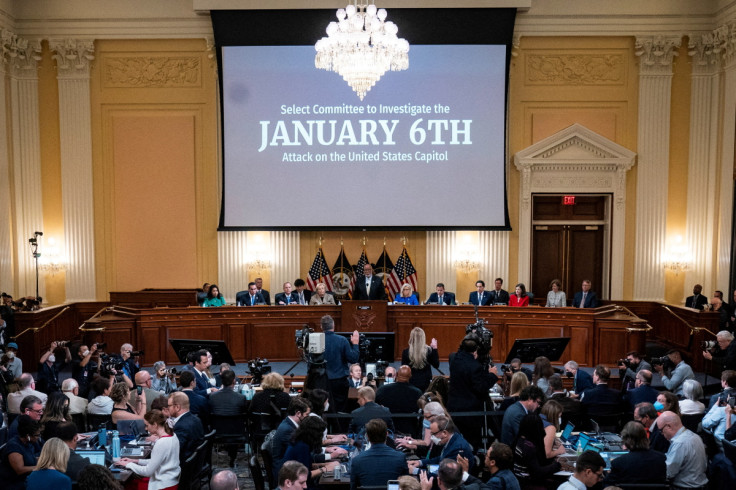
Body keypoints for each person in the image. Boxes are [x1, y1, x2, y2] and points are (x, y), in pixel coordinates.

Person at [447, 334, 499, 449]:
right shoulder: (475, 366)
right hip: (470, 412)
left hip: (454, 407)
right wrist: (492, 375)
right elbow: (480, 388)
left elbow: (458, 352)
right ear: (476, 350)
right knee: (471, 441)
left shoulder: (454, 359)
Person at [117, 410, 181, 490]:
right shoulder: (173, 436)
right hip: (170, 481)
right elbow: (157, 461)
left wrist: (128, 465)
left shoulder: (161, 443)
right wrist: (134, 461)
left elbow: (148, 472)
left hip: (162, 485)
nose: (145, 428)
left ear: (154, 425)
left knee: (126, 485)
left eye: (147, 425)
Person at [601, 421, 667, 487]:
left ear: (626, 440)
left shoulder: (619, 463)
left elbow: (607, 485)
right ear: (645, 437)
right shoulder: (662, 459)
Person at [350, 418, 409, 490]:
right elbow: (407, 486)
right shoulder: (400, 457)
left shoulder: (357, 461)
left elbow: (353, 487)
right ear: (387, 434)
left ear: (367, 437)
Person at [283, 416, 338, 490]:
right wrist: (325, 469)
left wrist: (324, 464)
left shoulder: (300, 441)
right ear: (314, 434)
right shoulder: (302, 447)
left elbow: (306, 463)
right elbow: (304, 475)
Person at [656, 411, 708, 489]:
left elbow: (668, 473)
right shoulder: (695, 436)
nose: (662, 434)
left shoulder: (679, 443)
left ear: (669, 426)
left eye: (661, 431)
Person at [408, 415, 475, 473]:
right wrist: (420, 462)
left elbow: (445, 473)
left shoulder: (458, 448)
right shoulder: (452, 439)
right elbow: (441, 459)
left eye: (434, 434)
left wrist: (416, 471)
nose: (431, 438)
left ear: (444, 433)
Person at [321, 314, 360, 413]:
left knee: (323, 408)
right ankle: (340, 428)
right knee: (340, 409)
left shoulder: (316, 340)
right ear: (333, 326)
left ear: (321, 327)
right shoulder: (342, 340)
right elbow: (353, 358)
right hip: (339, 381)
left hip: (323, 381)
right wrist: (355, 344)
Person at [511, 413, 561, 489]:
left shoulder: (519, 441)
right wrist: (557, 465)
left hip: (520, 480)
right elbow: (538, 472)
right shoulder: (529, 447)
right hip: (528, 483)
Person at [271, 397, 312, 482]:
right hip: (284, 475)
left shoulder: (289, 424)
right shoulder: (288, 430)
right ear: (298, 413)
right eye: (307, 414)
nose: (308, 418)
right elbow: (300, 453)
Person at [376, 365, 423, 436]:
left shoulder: (382, 390)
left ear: (397, 374)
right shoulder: (417, 392)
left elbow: (376, 407)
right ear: (410, 376)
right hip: (410, 430)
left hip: (386, 429)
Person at [0, 415, 43, 490]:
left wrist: (44, 460)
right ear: (28, 436)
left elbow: (29, 458)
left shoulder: (28, 443)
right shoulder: (14, 446)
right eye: (37, 435)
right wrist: (39, 467)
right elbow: (20, 470)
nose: (38, 437)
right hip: (14, 483)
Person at [168, 391, 204, 464]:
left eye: (169, 406)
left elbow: (174, 450)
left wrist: (159, 440)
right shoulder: (196, 419)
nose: (168, 408)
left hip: (184, 466)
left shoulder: (181, 426)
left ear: (177, 407)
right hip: (196, 462)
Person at [402, 327, 440, 392]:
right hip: (426, 384)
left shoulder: (406, 352)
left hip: (411, 383)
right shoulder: (429, 351)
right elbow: (436, 365)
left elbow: (404, 368)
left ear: (411, 338)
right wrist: (434, 348)